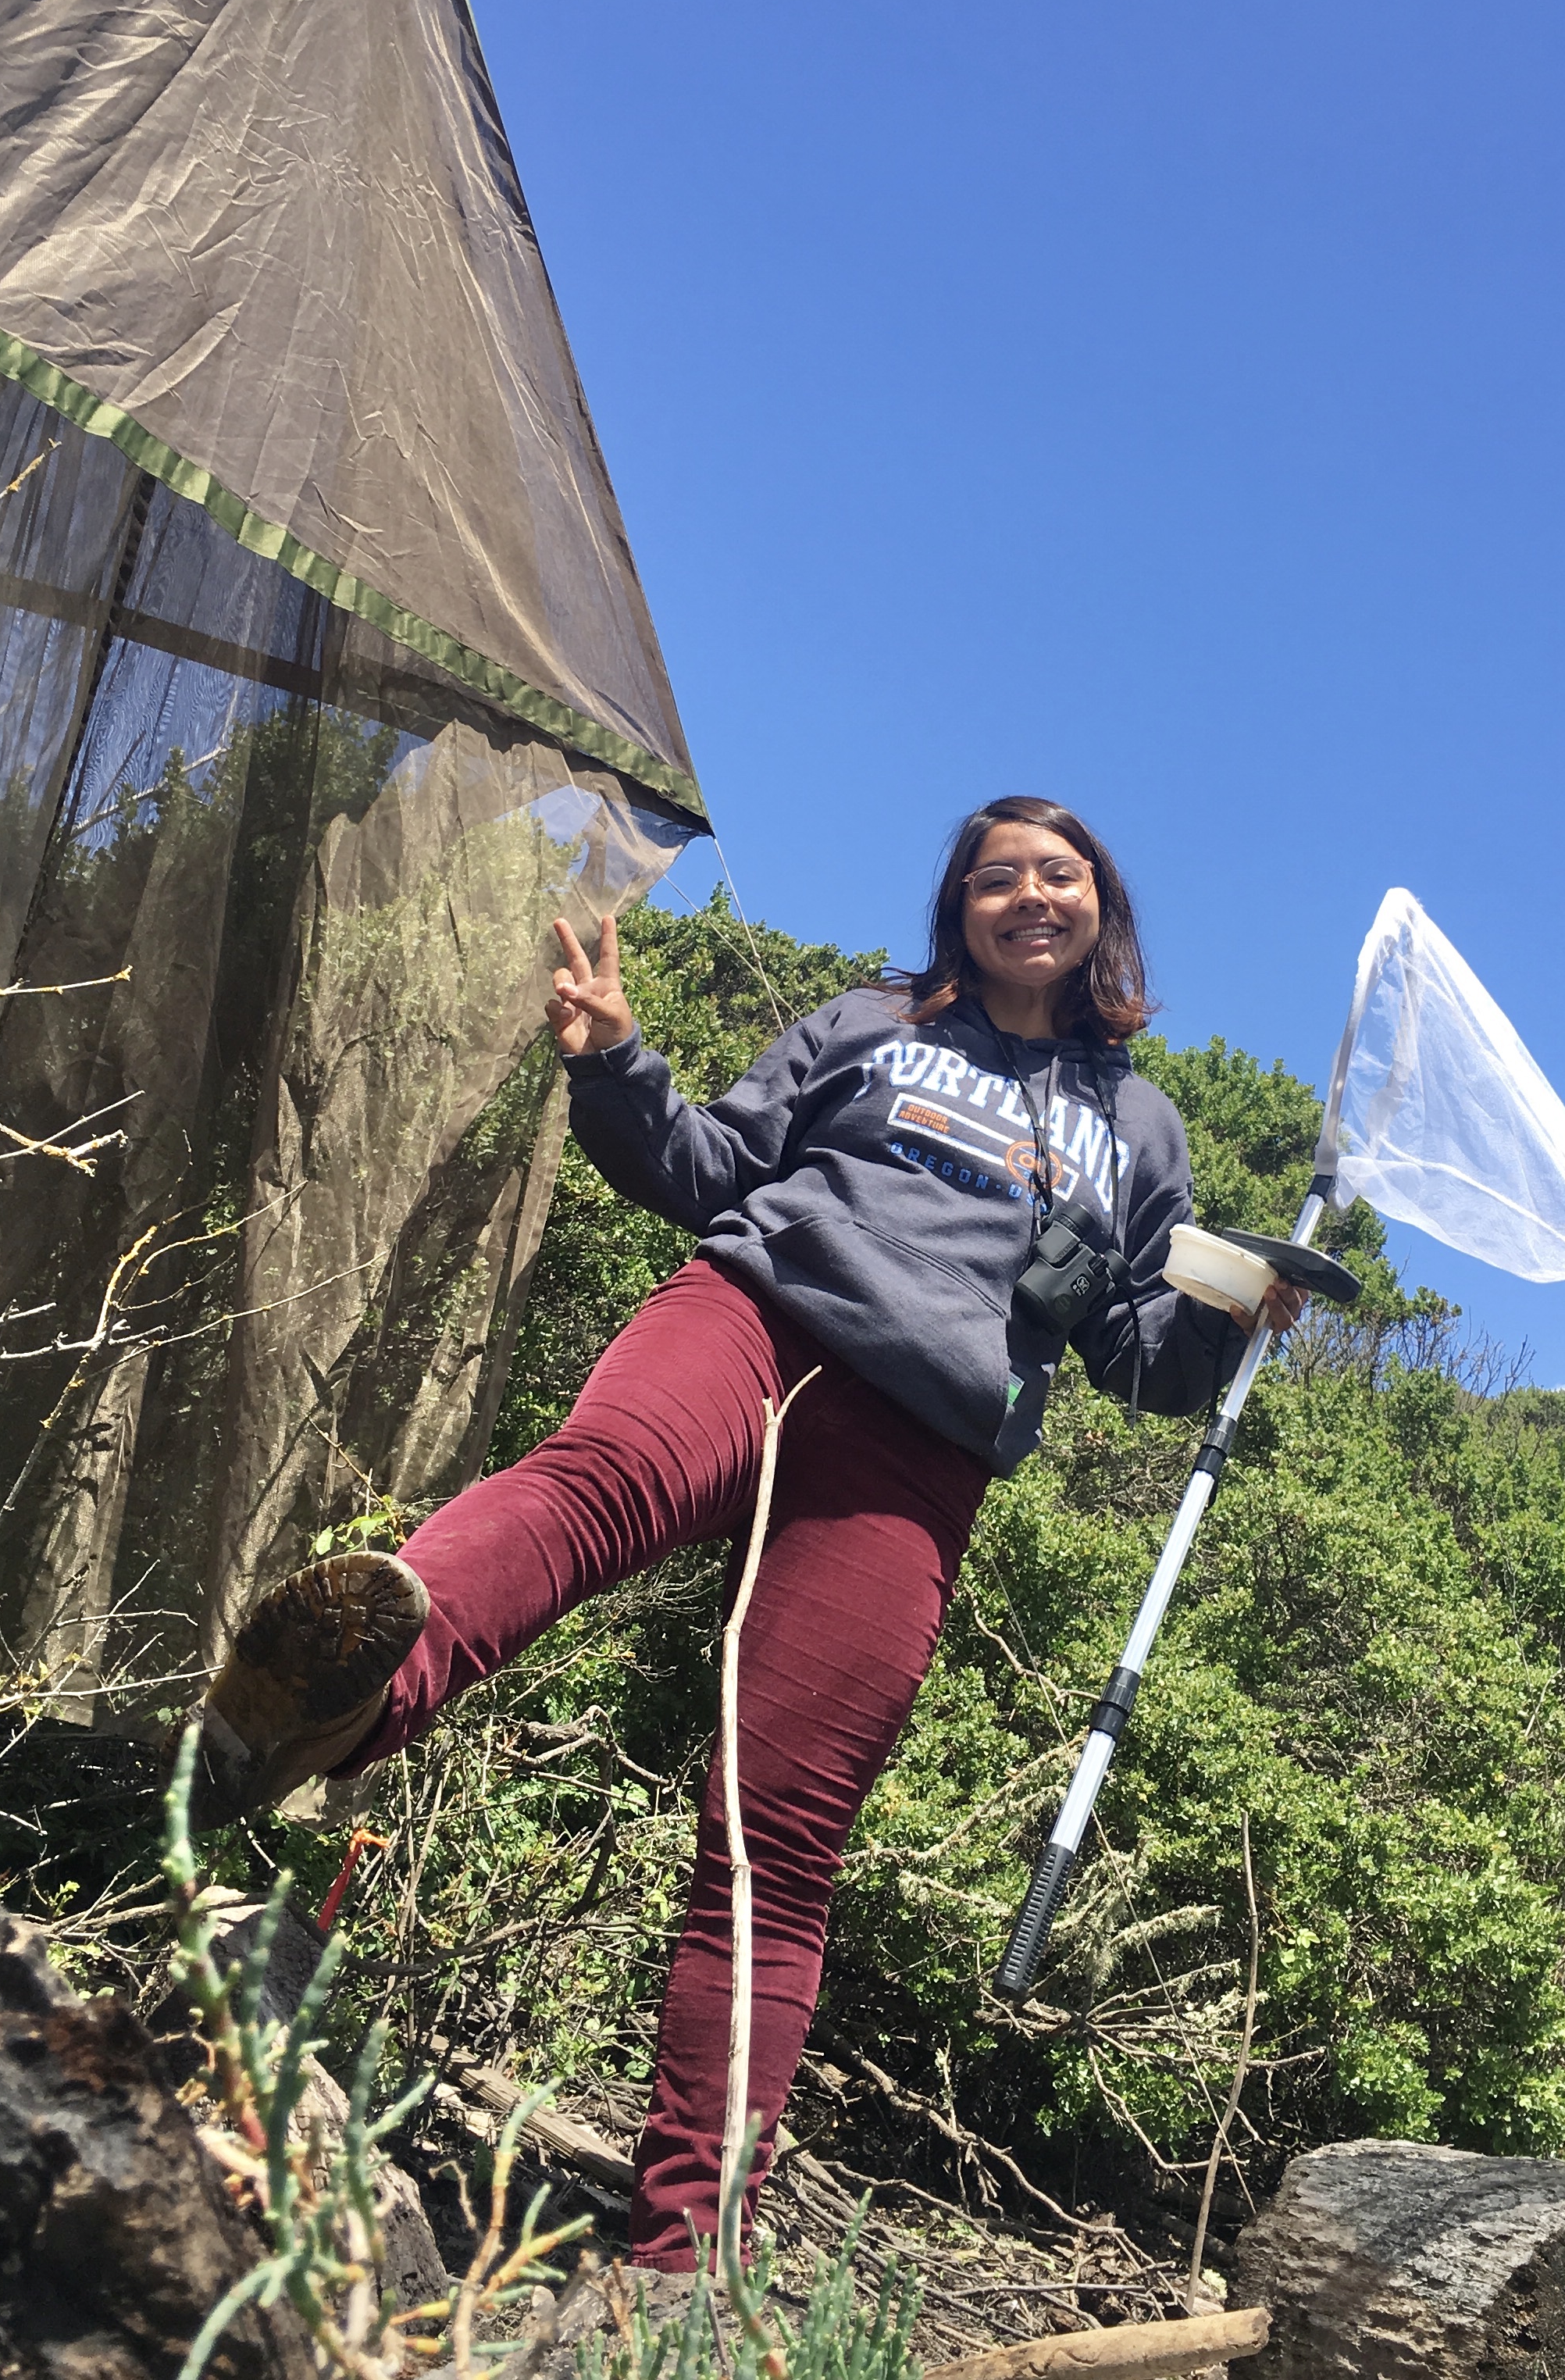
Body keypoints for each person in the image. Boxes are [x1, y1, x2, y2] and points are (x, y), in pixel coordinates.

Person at [191, 795, 1306, 2270]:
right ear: (957, 909)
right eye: (993, 878)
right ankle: (324, 1705)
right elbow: (711, 1168)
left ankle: (680, 2264)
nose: (1027, 895)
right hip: (758, 1318)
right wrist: (617, 1065)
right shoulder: (872, 1025)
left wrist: (1239, 1318)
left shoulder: (1138, 1131)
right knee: (597, 1485)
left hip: (926, 1445)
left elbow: (1133, 1357)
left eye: (1058, 873)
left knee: (779, 1838)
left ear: (1101, 905)